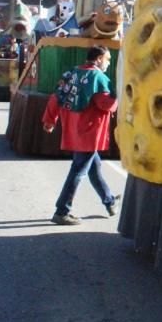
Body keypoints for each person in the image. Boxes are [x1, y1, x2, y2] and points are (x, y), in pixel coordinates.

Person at [43, 45, 119, 225]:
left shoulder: (72, 73)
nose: (108, 64)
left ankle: (109, 200)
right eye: (107, 59)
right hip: (90, 131)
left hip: (74, 128)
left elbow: (57, 96)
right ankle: (62, 210)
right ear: (99, 58)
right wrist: (118, 98)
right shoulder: (98, 77)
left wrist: (50, 119)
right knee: (78, 170)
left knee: (94, 167)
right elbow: (105, 104)